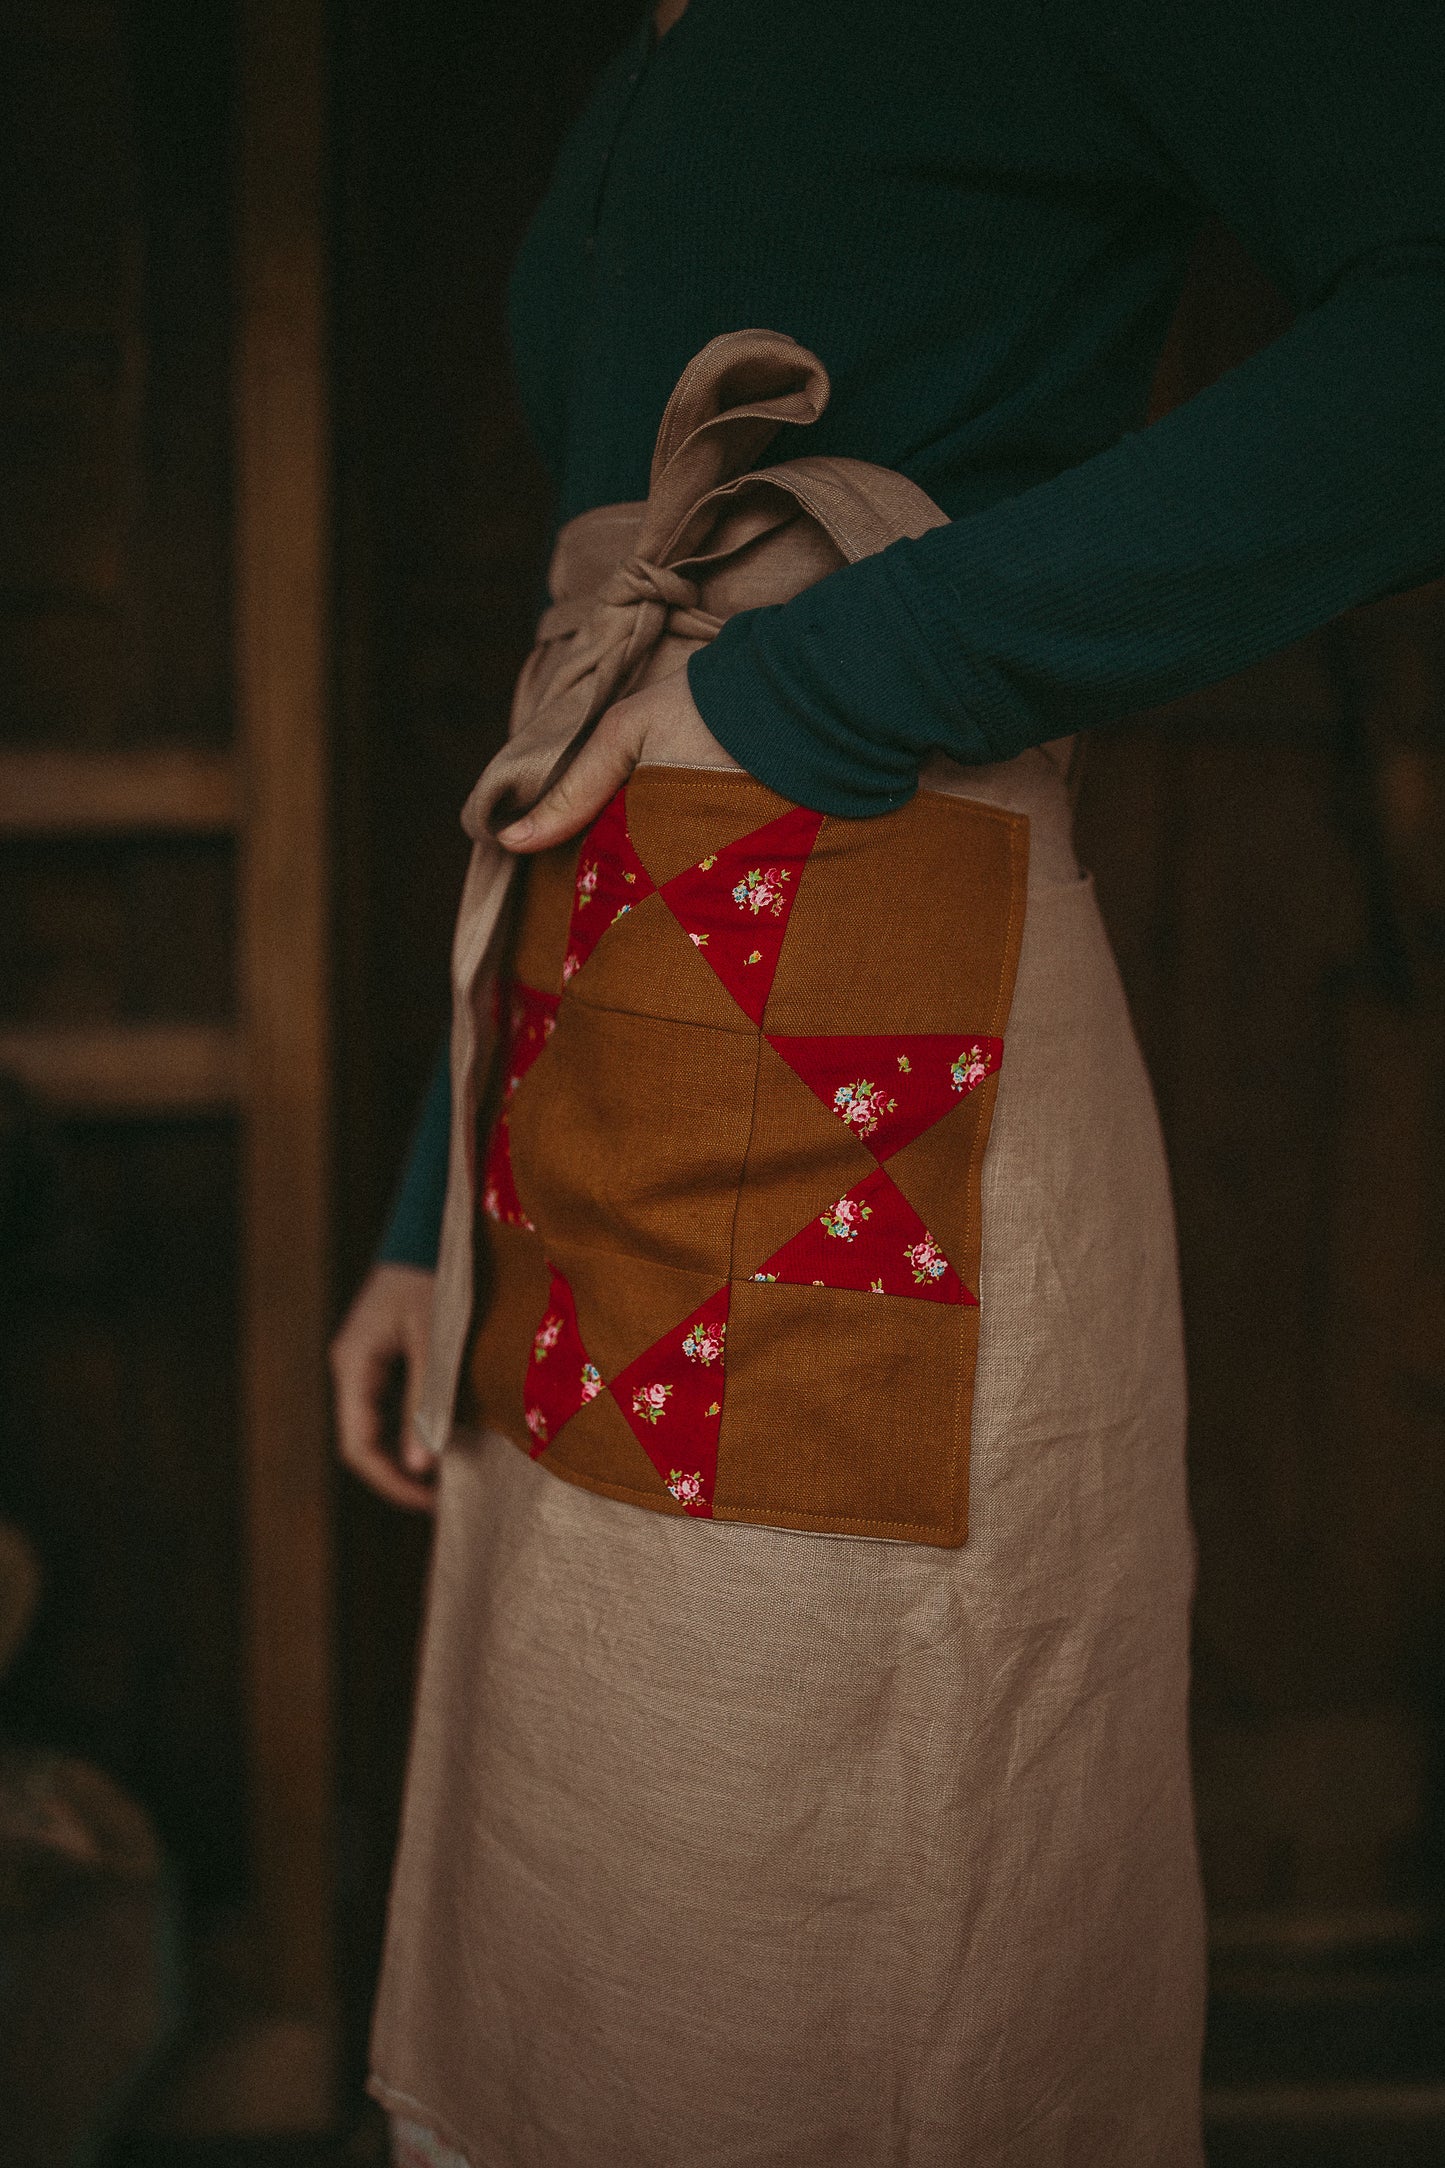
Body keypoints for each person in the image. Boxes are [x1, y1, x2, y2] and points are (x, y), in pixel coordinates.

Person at [331, 3, 1445, 2161]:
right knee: (594, 1856)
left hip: (849, 1003)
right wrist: (427, 1198)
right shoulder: (642, 58)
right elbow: (585, 705)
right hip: (585, 1068)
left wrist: (868, 668)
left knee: (837, 1885)